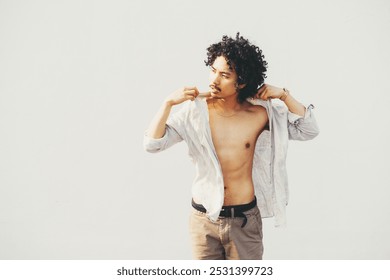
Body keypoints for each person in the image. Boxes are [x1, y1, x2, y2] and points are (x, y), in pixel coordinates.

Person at [143, 33, 319, 260]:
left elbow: (309, 130)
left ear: (242, 81)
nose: (214, 80)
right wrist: (167, 103)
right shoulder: (196, 112)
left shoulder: (260, 114)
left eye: (224, 75)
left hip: (244, 221)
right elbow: (152, 144)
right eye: (213, 70)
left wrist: (284, 96)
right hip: (203, 220)